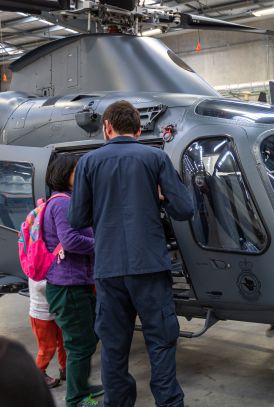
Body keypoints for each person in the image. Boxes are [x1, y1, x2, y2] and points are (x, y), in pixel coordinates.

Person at [68, 100, 194, 407]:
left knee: (113, 348)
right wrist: (160, 199)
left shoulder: (88, 162)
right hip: (150, 267)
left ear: (108, 127)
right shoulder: (155, 158)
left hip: (109, 270)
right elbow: (185, 209)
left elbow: (77, 219)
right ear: (138, 129)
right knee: (161, 343)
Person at [43, 155, 103, 407]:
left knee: (87, 338)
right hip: (68, 287)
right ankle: (76, 398)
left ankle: (81, 385)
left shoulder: (66, 201)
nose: (82, 175)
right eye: (77, 171)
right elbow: (70, 241)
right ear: (64, 173)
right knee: (80, 343)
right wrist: (103, 244)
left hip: (74, 283)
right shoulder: (62, 204)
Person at [28, 276, 67, 388]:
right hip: (41, 314)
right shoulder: (37, 262)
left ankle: (65, 368)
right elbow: (39, 285)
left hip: (56, 311)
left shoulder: (52, 259)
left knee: (63, 341)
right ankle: (39, 373)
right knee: (47, 347)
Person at [0, 336, 56, 407]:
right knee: (48, 347)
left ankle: (63, 368)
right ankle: (42, 371)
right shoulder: (11, 352)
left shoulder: (12, 351)